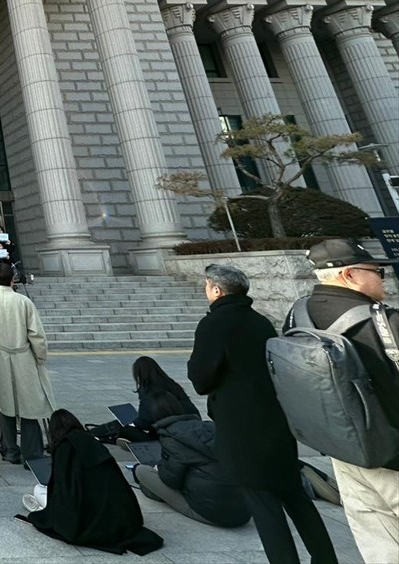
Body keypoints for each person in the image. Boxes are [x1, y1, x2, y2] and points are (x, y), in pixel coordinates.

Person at [188, 263, 337, 564]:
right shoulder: (260, 321)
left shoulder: (215, 323)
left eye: (207, 287)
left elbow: (201, 379)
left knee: (263, 501)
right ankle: (325, 558)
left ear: (216, 290)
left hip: (241, 427)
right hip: (276, 421)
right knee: (295, 496)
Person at [285, 239, 399, 563]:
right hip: (392, 454)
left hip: (344, 451)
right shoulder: (383, 321)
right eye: (377, 272)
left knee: (379, 543)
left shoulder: (299, 315)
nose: (383, 279)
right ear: (349, 275)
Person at [23, 409, 164, 555]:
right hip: (123, 517)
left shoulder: (64, 447)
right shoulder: (92, 441)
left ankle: (39, 503)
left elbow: (63, 491)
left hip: (89, 518)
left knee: (40, 490)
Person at [0, 261, 54, 464]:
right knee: (29, 405)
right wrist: (41, 356)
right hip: (23, 356)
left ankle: (10, 450)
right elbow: (36, 334)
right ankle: (33, 453)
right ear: (13, 279)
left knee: (5, 403)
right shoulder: (24, 301)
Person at [132, 394, 251, 527]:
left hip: (212, 513)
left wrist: (160, 466)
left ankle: (151, 491)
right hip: (243, 510)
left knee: (141, 470)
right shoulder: (210, 427)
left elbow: (170, 480)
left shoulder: (171, 436)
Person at [123, 356, 200, 442]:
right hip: (192, 426)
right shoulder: (172, 384)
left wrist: (132, 423)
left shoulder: (147, 389)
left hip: (168, 433)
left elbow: (145, 420)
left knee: (126, 430)